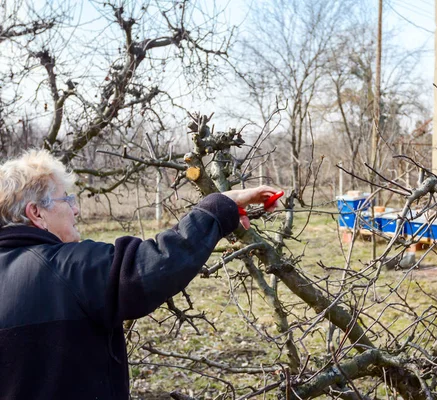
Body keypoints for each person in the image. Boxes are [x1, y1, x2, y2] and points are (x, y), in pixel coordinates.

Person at [0, 149, 279, 399]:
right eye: (67, 199)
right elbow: (154, 264)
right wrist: (219, 208)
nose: (76, 209)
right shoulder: (67, 269)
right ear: (36, 213)